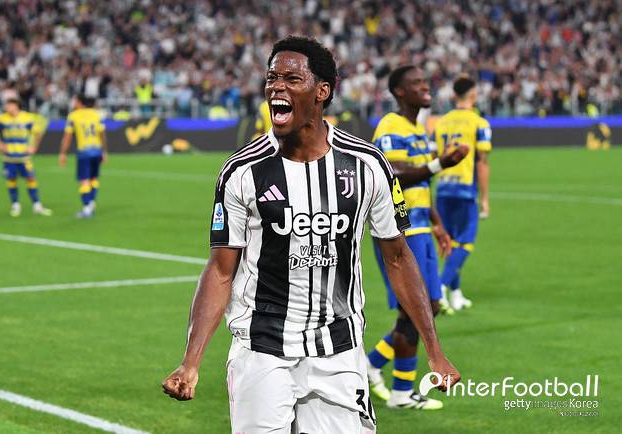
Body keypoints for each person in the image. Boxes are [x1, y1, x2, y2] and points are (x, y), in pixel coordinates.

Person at [161, 37, 460, 433]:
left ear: (322, 91)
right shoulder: (242, 171)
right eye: (272, 78)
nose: (276, 87)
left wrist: (435, 352)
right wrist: (191, 361)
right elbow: (220, 270)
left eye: (291, 79)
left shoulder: (367, 165)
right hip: (261, 349)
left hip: (338, 350)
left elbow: (398, 257)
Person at [366, 65, 468, 409]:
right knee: (413, 310)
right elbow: (390, 175)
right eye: (417, 83)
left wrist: (438, 224)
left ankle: (372, 364)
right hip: (401, 229)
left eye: (426, 82)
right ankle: (401, 392)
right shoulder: (390, 126)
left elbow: (422, 180)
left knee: (430, 306)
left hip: (423, 225)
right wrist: (440, 164)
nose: (426, 87)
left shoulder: (419, 130)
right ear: (399, 91)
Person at [433, 76, 492, 311]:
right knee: (466, 241)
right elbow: (482, 162)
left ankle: (455, 294)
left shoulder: (441, 122)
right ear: (473, 95)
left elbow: (433, 156)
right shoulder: (479, 123)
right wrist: (485, 199)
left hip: (443, 188)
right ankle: (440, 288)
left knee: (451, 242)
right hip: (465, 190)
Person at [0, 98, 52, 217]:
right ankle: (15, 205)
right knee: (11, 180)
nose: (7, 107)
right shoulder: (2, 118)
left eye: (9, 105)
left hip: (24, 157)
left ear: (16, 105)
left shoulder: (27, 117)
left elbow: (38, 133)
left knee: (31, 179)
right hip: (9, 157)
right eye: (6, 105)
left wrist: (34, 147)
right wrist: (0, 145)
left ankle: (37, 205)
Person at [59, 95, 108, 218]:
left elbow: (67, 137)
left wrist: (63, 153)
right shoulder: (97, 114)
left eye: (74, 101)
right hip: (97, 150)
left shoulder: (73, 116)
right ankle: (92, 203)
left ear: (80, 102)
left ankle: (87, 208)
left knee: (84, 180)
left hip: (84, 152)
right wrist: (104, 151)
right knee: (94, 178)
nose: (73, 103)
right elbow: (102, 133)